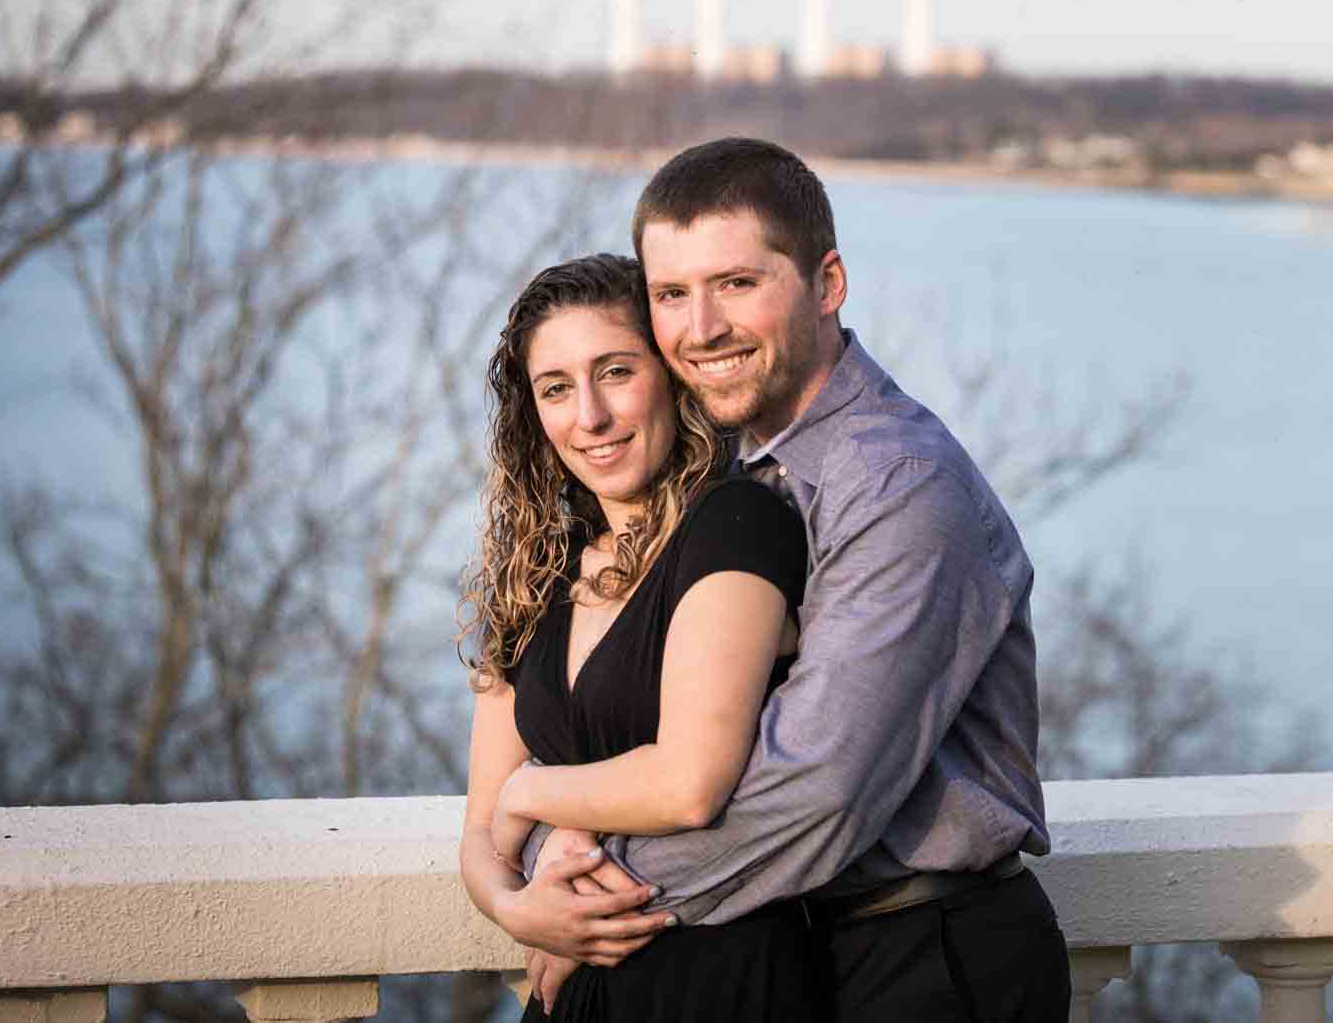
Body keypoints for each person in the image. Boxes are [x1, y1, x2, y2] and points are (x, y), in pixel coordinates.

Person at [525, 138, 1071, 1021]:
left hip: (925, 962)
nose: (701, 329)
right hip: (785, 950)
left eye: (737, 284)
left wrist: (592, 896)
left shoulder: (898, 485)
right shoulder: (721, 472)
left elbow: (816, 787)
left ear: (827, 284)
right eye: (672, 294)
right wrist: (545, 846)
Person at [458, 253, 813, 1019]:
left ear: (669, 376)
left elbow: (690, 784)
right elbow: (481, 831)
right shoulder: (536, 576)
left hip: (719, 980)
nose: (589, 416)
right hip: (575, 994)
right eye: (556, 388)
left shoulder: (736, 526)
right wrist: (518, 910)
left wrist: (537, 795)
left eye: (615, 371)